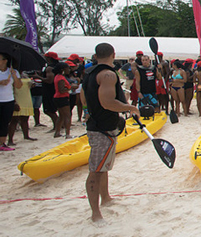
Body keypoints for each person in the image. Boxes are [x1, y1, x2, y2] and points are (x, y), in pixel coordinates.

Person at [83, 43, 140, 222]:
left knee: (103, 166)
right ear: (113, 54)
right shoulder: (108, 74)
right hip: (101, 128)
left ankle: (105, 198)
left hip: (99, 124)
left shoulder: (89, 73)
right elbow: (108, 102)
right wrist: (130, 107)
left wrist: (89, 111)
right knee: (96, 170)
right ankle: (95, 214)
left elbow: (83, 97)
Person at [0, 53, 23, 151]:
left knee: (5, 122)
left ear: (5, 61)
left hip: (9, 100)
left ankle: (2, 143)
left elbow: (18, 86)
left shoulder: (13, 72)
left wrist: (14, 76)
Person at [7, 74, 36, 146]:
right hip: (17, 98)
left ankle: (26, 135)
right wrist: (14, 102)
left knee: (25, 118)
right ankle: (10, 140)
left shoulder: (24, 74)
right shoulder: (11, 75)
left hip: (26, 98)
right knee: (14, 120)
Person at [53, 62, 73, 138]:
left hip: (58, 97)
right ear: (63, 70)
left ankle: (57, 132)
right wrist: (71, 87)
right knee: (67, 115)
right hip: (62, 97)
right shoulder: (61, 78)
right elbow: (61, 90)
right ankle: (67, 134)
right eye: (67, 68)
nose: (69, 69)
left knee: (61, 116)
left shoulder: (57, 77)